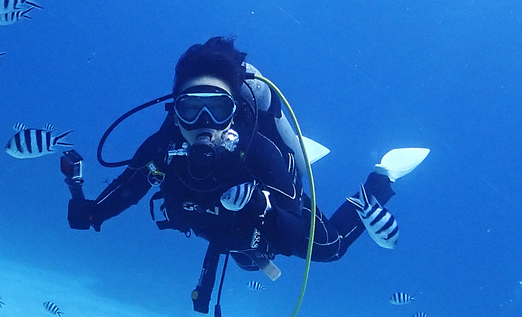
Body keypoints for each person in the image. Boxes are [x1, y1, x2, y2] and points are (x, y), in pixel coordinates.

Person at [66, 36, 409, 279]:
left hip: (266, 218)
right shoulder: (162, 147)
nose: (204, 124)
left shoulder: (258, 152)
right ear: (175, 113)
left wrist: (263, 208)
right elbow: (130, 187)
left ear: (232, 114)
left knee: (332, 249)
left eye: (216, 110)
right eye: (190, 109)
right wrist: (94, 212)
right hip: (220, 231)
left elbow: (293, 220)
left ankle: (381, 180)